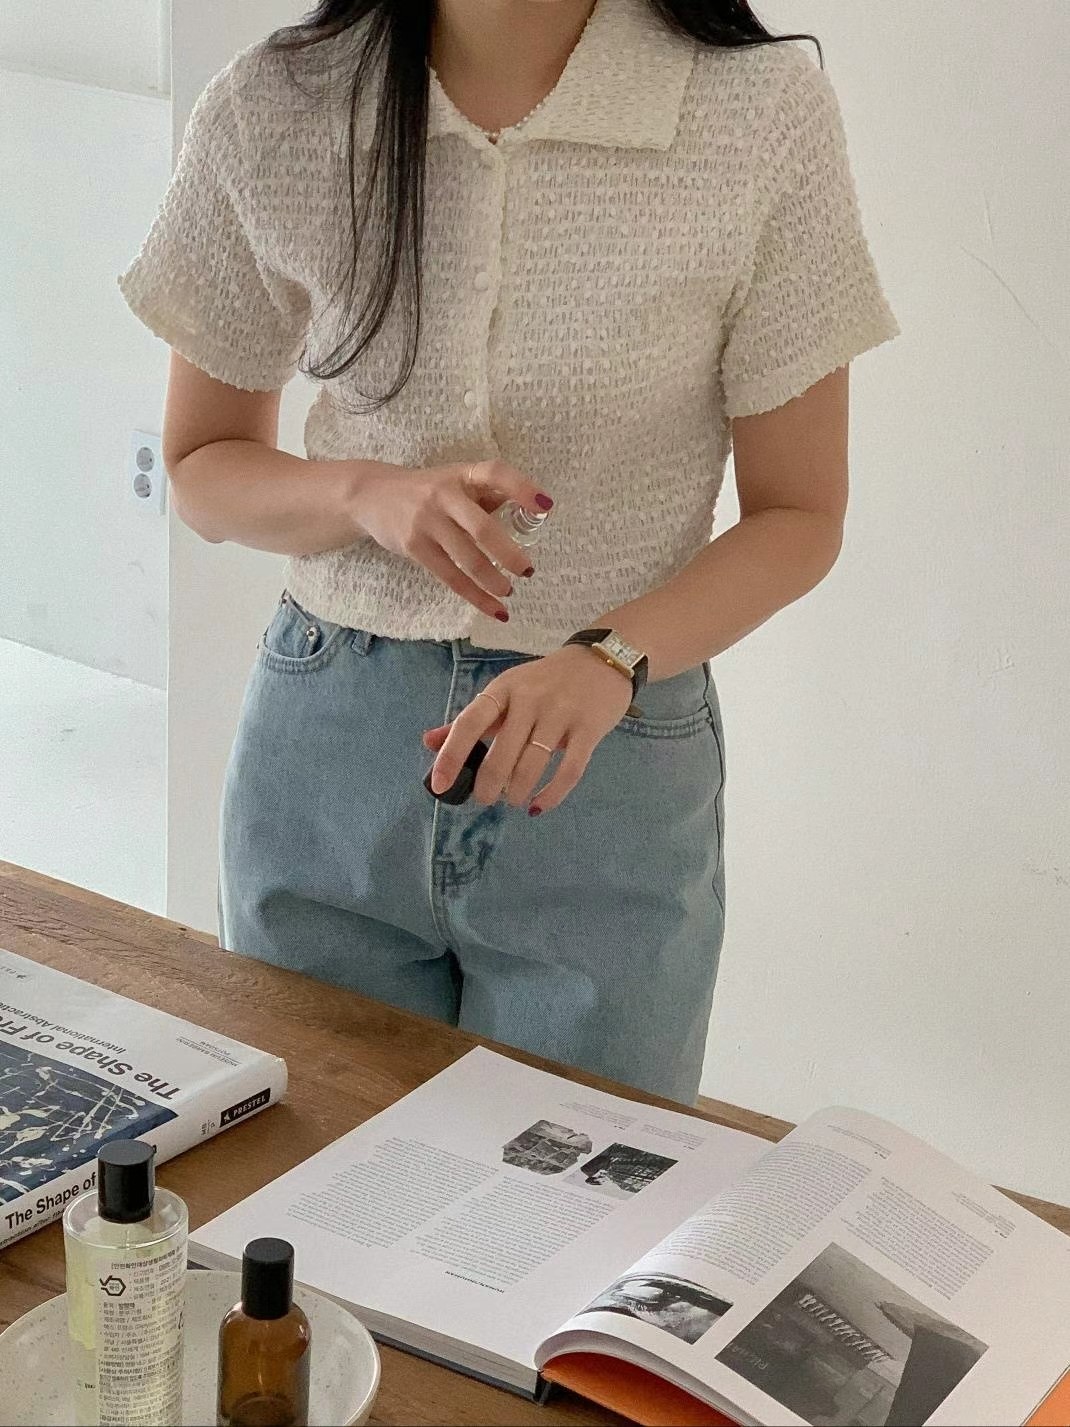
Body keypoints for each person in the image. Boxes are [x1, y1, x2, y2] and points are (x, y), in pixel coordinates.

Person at [118, 0, 898, 1104]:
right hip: (327, 748)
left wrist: (609, 657)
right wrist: (367, 494)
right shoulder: (279, 103)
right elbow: (202, 465)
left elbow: (799, 512)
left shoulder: (753, 111)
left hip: (604, 754)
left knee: (576, 1187)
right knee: (309, 1175)